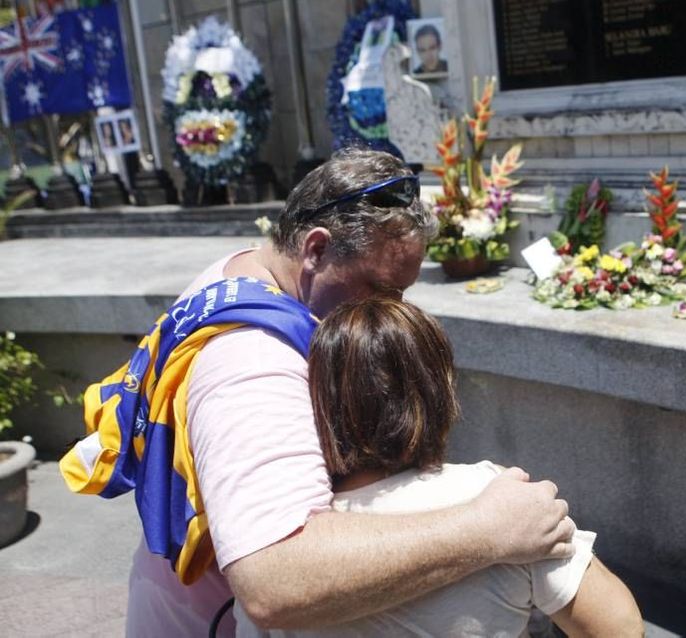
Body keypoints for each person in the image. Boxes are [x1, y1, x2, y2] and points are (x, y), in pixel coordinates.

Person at [61, 149, 576, 636]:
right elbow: (273, 579)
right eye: (382, 291)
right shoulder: (254, 364)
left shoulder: (246, 271)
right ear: (315, 249)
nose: (396, 310)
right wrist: (486, 530)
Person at [233, 297, 643, 636]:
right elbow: (620, 627)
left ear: (320, 403)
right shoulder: (498, 498)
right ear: (438, 391)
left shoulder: (285, 539)